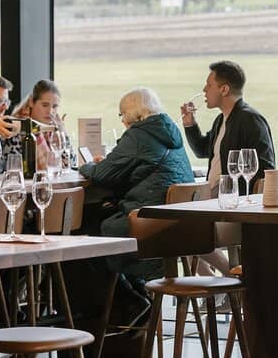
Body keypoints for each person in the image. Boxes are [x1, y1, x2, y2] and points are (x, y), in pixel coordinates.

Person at [79, 87, 194, 326]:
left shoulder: (139, 135)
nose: (122, 121)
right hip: (178, 229)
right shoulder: (169, 131)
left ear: (131, 113)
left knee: (85, 243)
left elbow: (102, 174)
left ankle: (130, 302)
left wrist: (87, 166)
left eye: (121, 115)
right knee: (97, 228)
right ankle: (134, 299)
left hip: (146, 225)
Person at [181, 60, 276, 192]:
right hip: (213, 199)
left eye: (209, 85)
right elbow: (202, 150)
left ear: (224, 90)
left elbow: (266, 171)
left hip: (233, 202)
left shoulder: (251, 120)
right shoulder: (220, 119)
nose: (204, 90)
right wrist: (190, 124)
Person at [13, 79, 65, 170]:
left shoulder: (53, 128)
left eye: (54, 106)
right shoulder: (17, 127)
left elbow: (67, 164)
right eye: (45, 105)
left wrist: (62, 133)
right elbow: (15, 167)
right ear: (31, 102)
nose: (50, 111)